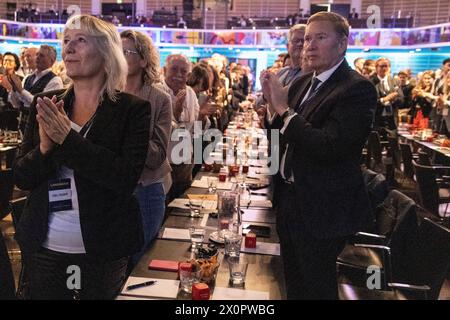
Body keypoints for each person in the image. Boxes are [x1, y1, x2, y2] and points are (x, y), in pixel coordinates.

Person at [13, 14, 150, 300]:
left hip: (102, 251)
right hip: (44, 247)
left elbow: (124, 179)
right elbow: (23, 177)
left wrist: (68, 139)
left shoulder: (132, 110)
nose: (69, 48)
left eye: (81, 40)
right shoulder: (46, 104)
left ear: (106, 52)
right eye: (66, 41)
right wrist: (45, 150)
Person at [261, 11, 376, 299]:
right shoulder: (302, 83)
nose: (308, 45)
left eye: (320, 38)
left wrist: (284, 110)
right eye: (307, 38)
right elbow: (280, 133)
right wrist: (270, 107)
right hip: (289, 201)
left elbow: (329, 147)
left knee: (317, 288)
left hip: (322, 207)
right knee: (294, 285)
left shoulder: (356, 88)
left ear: (342, 44)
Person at [120, 30, 172, 266]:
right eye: (116, 51)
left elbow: (157, 156)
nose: (119, 56)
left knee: (138, 263)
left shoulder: (159, 99)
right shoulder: (105, 95)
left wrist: (128, 131)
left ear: (143, 60)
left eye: (126, 51)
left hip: (146, 191)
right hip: (111, 190)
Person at [161, 54, 199, 200]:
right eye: (174, 69)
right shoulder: (157, 92)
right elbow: (159, 132)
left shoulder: (190, 93)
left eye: (183, 72)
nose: (178, 75)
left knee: (182, 211)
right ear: (164, 70)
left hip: (185, 164)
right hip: (165, 166)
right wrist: (175, 115)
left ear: (188, 75)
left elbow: (193, 127)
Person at [8, 45, 64, 134]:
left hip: (39, 129)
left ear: (51, 61)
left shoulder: (55, 80)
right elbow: (16, 104)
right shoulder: (28, 78)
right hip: (23, 124)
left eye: (41, 56)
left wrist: (21, 90)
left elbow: (43, 105)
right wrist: (14, 89)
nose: (37, 58)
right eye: (37, 55)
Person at [371, 57, 404, 130]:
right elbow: (369, 102)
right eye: (381, 66)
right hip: (376, 120)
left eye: (386, 66)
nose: (384, 68)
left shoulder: (395, 81)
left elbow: (401, 100)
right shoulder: (370, 82)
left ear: (389, 68)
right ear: (376, 68)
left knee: (393, 140)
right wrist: (384, 100)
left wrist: (392, 99)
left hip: (391, 120)